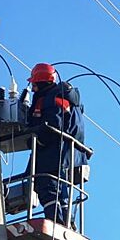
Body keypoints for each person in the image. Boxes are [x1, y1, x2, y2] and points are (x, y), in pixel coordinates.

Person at [26, 63, 87, 226]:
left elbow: (53, 123)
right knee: (61, 188)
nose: (32, 89)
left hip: (54, 151)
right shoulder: (67, 96)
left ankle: (57, 221)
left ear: (40, 83)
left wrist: (36, 138)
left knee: (46, 185)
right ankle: (68, 221)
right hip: (69, 152)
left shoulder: (50, 98)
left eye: (34, 84)